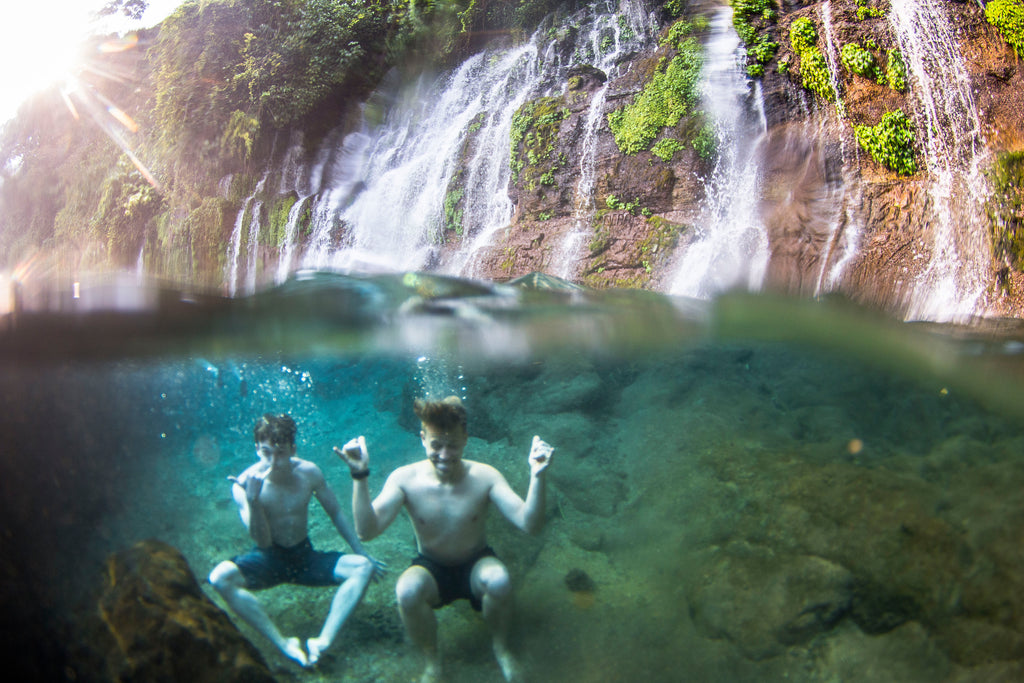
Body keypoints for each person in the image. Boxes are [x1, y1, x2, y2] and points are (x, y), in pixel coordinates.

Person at [335, 396, 554, 683]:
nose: (445, 454)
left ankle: (501, 648)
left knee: (499, 581)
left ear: (466, 437)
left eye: (453, 445)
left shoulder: (485, 476)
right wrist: (359, 475)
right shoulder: (405, 478)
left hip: (476, 562)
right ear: (422, 438)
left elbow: (530, 525)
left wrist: (537, 476)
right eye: (436, 445)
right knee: (407, 591)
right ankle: (431, 660)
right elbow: (367, 531)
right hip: (431, 566)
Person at [209, 413, 384, 667]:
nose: (274, 461)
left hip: (304, 556)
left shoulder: (309, 472)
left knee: (363, 568)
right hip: (269, 558)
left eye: (281, 453)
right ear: (257, 448)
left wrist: (360, 551)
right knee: (219, 579)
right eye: (267, 452)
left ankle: (322, 642)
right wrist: (254, 502)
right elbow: (263, 543)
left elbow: (335, 512)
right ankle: (284, 643)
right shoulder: (244, 485)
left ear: (293, 448)